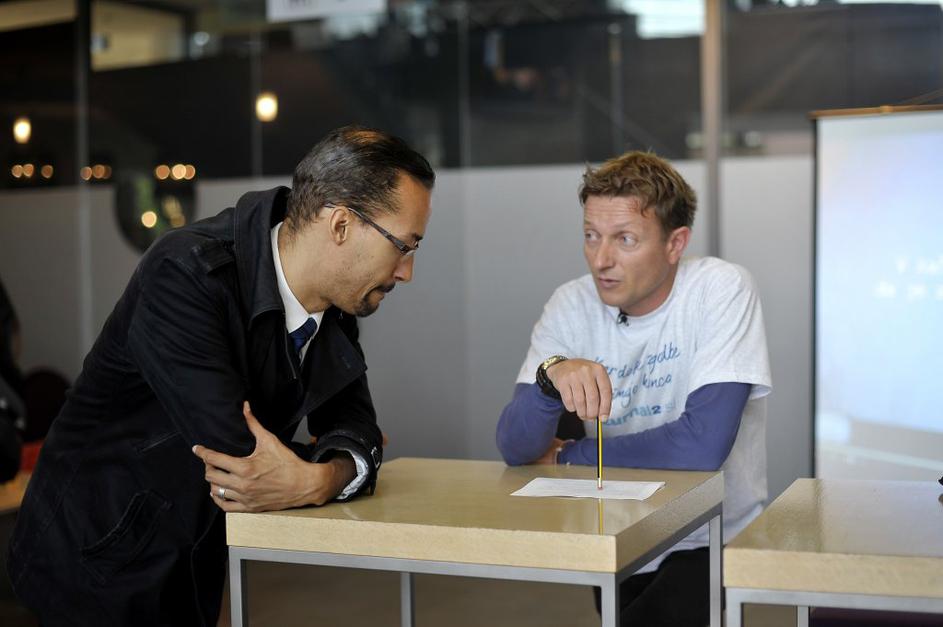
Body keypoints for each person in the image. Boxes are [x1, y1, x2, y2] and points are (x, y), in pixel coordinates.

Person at [8, 126, 435, 626]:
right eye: (404, 246)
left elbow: (357, 429)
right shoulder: (184, 273)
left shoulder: (334, 307)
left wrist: (321, 478)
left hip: (188, 561)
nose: (406, 272)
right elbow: (238, 462)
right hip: (92, 559)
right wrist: (341, 467)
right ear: (341, 224)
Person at [496, 151, 771, 627]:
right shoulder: (571, 303)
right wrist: (549, 379)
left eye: (625, 239)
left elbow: (702, 446)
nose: (601, 260)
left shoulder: (720, 289)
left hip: (709, 534)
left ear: (675, 243)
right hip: (616, 531)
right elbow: (515, 447)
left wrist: (569, 457)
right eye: (591, 235)